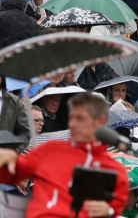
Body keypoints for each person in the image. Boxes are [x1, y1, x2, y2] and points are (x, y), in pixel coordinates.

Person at [0, 92, 129, 218]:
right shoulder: (50, 149)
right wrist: (7, 161)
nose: (72, 124)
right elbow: (11, 175)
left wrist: (110, 212)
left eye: (80, 119)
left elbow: (116, 210)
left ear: (100, 122)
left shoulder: (116, 172)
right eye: (71, 118)